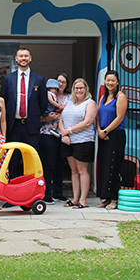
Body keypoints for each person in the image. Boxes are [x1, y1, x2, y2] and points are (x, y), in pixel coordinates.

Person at [0, 48, 50, 182]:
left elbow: (43, 103)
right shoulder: (8, 79)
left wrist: (35, 115)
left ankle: (31, 194)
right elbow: (2, 100)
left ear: (30, 58)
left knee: (32, 161)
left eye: (26, 56)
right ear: (16, 59)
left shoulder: (38, 79)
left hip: (31, 127)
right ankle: (13, 194)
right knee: (13, 160)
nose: (23, 58)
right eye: (21, 56)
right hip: (13, 126)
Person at [58, 78, 98, 209]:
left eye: (81, 88)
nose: (79, 90)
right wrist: (64, 132)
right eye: (76, 88)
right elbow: (61, 118)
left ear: (86, 89)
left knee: (82, 170)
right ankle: (75, 199)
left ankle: (83, 200)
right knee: (73, 171)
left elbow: (87, 122)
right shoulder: (70, 102)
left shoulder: (90, 103)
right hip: (68, 141)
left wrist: (68, 131)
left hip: (83, 141)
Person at [96, 71, 128, 210]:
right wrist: (99, 131)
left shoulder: (121, 97)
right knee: (104, 166)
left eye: (113, 80)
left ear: (118, 82)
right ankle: (106, 198)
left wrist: (106, 131)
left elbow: (119, 118)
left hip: (115, 135)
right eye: (108, 80)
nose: (110, 83)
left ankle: (115, 198)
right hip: (103, 135)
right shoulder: (103, 97)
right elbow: (97, 115)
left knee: (114, 166)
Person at [39, 75, 69, 202]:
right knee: (48, 163)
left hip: (64, 134)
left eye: (63, 82)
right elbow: (37, 114)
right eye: (58, 81)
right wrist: (47, 118)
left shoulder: (70, 99)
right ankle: (46, 193)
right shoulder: (47, 96)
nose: (60, 84)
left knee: (60, 164)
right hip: (47, 133)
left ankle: (58, 192)